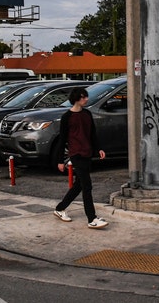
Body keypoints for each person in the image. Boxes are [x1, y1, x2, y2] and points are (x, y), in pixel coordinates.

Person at [53, 87, 108, 229]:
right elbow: (62, 139)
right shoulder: (67, 117)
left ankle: (60, 208)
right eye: (83, 97)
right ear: (76, 99)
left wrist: (99, 148)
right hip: (76, 154)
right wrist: (60, 160)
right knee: (87, 186)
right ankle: (92, 219)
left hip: (87, 152)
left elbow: (92, 134)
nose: (86, 99)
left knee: (79, 185)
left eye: (86, 97)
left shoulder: (87, 114)